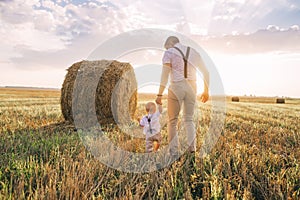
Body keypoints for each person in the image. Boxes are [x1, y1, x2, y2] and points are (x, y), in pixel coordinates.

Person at [155, 36, 209, 161]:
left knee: (172, 121)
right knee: (189, 119)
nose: (167, 49)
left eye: (167, 46)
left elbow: (165, 74)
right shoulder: (194, 52)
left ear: (170, 43)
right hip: (192, 86)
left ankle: (174, 152)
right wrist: (206, 91)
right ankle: (192, 150)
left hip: (176, 86)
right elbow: (206, 72)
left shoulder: (169, 52)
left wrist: (159, 94)